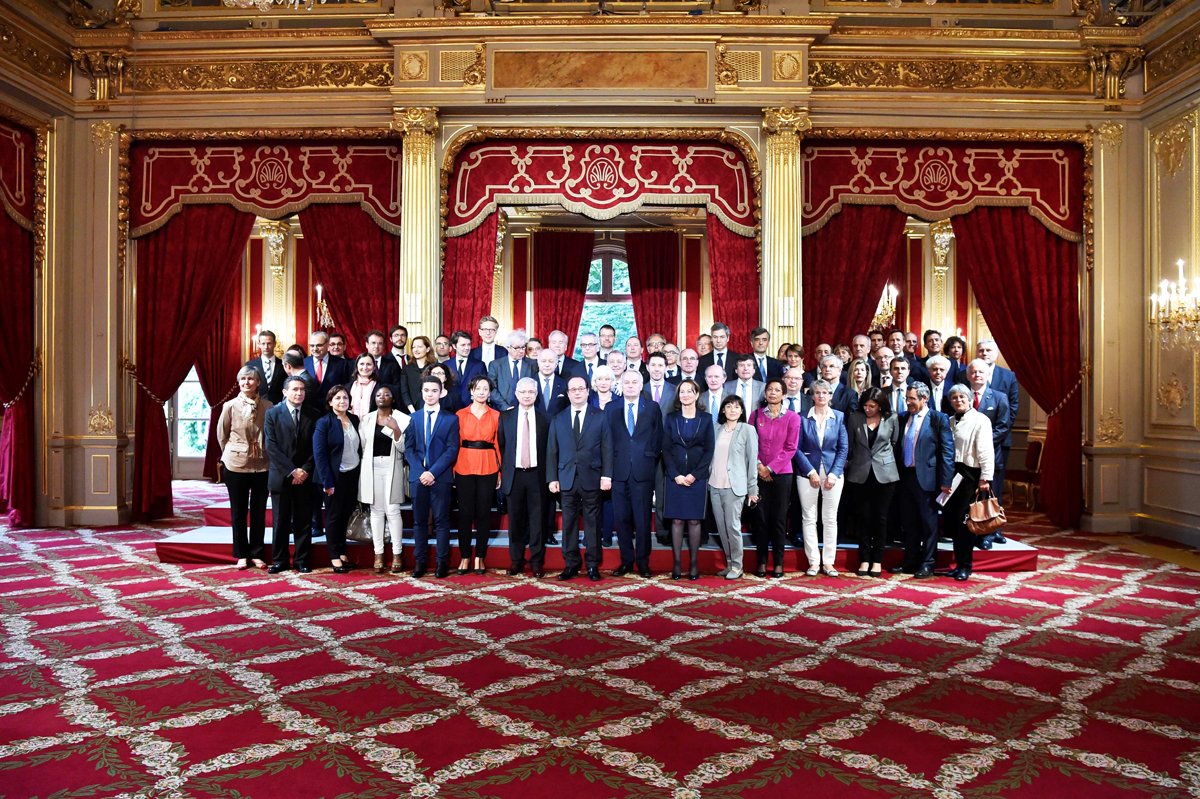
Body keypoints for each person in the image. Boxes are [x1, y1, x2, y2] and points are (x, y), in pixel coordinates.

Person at [547, 375, 612, 581]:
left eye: (580, 389)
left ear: (587, 391)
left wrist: (606, 475)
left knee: (593, 523)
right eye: (572, 389)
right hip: (566, 478)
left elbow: (607, 448)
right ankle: (571, 564)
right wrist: (552, 478)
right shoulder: (558, 418)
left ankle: (593, 565)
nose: (577, 392)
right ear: (568, 393)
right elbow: (552, 451)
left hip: (592, 477)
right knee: (569, 524)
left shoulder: (600, 416)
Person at [892, 382, 955, 578]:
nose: (908, 402)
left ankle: (928, 563)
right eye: (907, 398)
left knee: (929, 524)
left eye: (912, 399)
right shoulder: (903, 418)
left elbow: (947, 452)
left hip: (928, 480)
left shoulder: (938, 419)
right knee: (908, 522)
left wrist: (946, 482)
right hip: (905, 478)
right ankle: (910, 561)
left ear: (924, 398)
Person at [960, 340, 1018, 548]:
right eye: (973, 373)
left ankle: (989, 533)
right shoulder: (961, 396)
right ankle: (970, 531)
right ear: (968, 375)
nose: (977, 375)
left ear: (987, 376)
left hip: (993, 452)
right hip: (965, 457)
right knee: (968, 495)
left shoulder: (1000, 397)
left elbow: (1004, 425)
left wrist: (980, 442)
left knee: (991, 493)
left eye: (981, 373)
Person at [605, 369, 663, 577]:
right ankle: (626, 561)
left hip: (643, 472)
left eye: (634, 382)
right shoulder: (611, 408)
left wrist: (647, 457)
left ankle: (643, 562)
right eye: (626, 382)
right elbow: (607, 440)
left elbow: (658, 439)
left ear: (641, 386)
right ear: (621, 385)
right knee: (621, 520)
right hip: (619, 473)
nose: (630, 385)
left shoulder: (652, 408)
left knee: (643, 519)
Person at [404, 376, 461, 578]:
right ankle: (420, 563)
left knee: (441, 521)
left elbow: (451, 449)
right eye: (426, 390)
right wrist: (421, 472)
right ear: (422, 392)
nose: (430, 394)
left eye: (434, 391)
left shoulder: (451, 418)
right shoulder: (414, 418)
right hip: (418, 478)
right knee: (419, 522)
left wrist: (432, 472)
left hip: (440, 477)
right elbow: (409, 448)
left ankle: (441, 564)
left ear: (442, 393)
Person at [217, 366, 272, 570]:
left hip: (262, 464)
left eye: (251, 379)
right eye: (243, 379)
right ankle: (241, 553)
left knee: (259, 511)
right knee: (238, 511)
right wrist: (233, 452)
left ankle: (257, 552)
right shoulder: (229, 406)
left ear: (258, 382)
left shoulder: (268, 405)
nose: (247, 382)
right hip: (236, 464)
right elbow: (222, 436)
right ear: (238, 382)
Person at [793, 380, 849, 577]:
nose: (821, 396)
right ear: (812, 396)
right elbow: (796, 448)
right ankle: (814, 562)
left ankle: (829, 563)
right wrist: (810, 471)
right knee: (808, 517)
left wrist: (833, 474)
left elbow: (843, 448)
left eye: (825, 392)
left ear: (830, 395)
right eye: (817, 393)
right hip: (807, 473)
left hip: (833, 473)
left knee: (830, 518)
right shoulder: (802, 418)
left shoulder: (839, 417)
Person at [264, 376, 318, 574]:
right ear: (285, 392)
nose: (299, 393)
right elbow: (271, 446)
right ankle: (280, 560)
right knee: (281, 520)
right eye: (295, 389)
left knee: (303, 520)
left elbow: (316, 447)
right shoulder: (273, 414)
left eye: (302, 389)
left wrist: (304, 469)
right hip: (281, 475)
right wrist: (292, 470)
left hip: (305, 475)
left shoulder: (313, 414)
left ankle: (302, 560)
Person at [844, 387, 900, 578]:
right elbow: (850, 445)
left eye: (872, 406)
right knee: (864, 518)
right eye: (866, 405)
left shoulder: (892, 417)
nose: (868, 409)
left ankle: (877, 560)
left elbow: (894, 443)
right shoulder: (855, 417)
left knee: (881, 518)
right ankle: (865, 558)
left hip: (885, 474)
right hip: (860, 473)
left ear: (881, 406)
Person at [942, 384, 995, 581]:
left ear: (970, 398)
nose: (958, 400)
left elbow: (986, 451)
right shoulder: (950, 421)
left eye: (962, 397)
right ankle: (957, 564)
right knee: (954, 522)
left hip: (971, 475)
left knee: (966, 523)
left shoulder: (981, 420)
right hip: (952, 475)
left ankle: (965, 566)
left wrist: (985, 478)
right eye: (954, 398)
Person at [498, 377, 550, 577]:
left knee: (537, 521)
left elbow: (549, 450)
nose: (527, 395)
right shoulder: (505, 417)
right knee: (516, 521)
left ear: (536, 395)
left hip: (537, 475)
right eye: (523, 392)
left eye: (531, 392)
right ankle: (516, 561)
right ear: (517, 394)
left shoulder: (546, 419)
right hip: (515, 475)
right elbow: (502, 446)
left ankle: (537, 562)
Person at [662, 379, 714, 580]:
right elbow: (665, 449)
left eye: (689, 391)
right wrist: (676, 475)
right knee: (676, 520)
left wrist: (694, 475)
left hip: (697, 477)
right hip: (675, 476)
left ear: (696, 394)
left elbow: (709, 449)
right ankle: (676, 565)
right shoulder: (671, 418)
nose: (685, 395)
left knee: (693, 520)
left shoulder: (706, 419)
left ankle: (693, 565)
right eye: (682, 392)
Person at [750, 379, 800, 577]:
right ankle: (761, 561)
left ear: (784, 394)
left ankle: (778, 562)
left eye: (777, 390)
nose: (772, 393)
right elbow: (750, 444)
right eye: (769, 389)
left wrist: (770, 468)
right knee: (760, 519)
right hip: (758, 472)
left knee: (779, 519)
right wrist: (760, 466)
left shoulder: (793, 418)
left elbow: (791, 448)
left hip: (782, 474)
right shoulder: (755, 416)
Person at [358, 384, 408, 573]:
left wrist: (395, 429)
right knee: (376, 511)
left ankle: (397, 553)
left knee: (393, 510)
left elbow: (403, 448)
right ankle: (378, 554)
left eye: (387, 394)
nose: (382, 397)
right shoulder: (367, 419)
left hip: (392, 466)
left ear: (393, 398)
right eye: (379, 394)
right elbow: (362, 446)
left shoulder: (402, 419)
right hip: (371, 467)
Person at [454, 375, 501, 575]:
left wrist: (500, 471)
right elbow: (454, 443)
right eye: (478, 388)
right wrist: (452, 469)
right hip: (464, 464)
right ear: (471, 391)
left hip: (489, 465)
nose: (481, 392)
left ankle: (480, 557)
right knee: (465, 514)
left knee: (483, 513)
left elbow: (499, 444)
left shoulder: (497, 415)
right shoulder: (459, 415)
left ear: (489, 393)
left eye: (485, 389)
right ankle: (465, 556)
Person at [708, 395, 758, 579]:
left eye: (737, 407)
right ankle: (729, 564)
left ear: (742, 411)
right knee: (721, 527)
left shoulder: (747, 430)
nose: (732, 410)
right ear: (723, 410)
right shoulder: (716, 429)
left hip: (734, 487)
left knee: (733, 527)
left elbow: (752, 461)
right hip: (714, 484)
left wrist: (753, 490)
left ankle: (738, 565)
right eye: (728, 406)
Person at [312, 386, 361, 574]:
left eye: (345, 398)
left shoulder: (354, 419)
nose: (342, 401)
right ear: (330, 401)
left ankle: (342, 552)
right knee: (333, 517)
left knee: (344, 516)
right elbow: (320, 454)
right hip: (334, 477)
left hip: (352, 475)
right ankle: (334, 556)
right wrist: (327, 482)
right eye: (338, 398)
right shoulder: (324, 423)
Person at [487, 329, 535, 411]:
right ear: (508, 348)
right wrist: (504, 406)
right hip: (501, 410)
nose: (521, 351)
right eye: (516, 348)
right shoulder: (496, 365)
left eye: (523, 347)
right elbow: (491, 388)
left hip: (526, 410)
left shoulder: (532, 364)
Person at [446, 330, 486, 408]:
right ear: (454, 346)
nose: (467, 348)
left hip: (472, 409)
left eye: (469, 344)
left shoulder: (479, 365)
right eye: (463, 345)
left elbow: (484, 387)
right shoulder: (446, 365)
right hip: (450, 409)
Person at [399, 335, 437, 412]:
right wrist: (411, 409)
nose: (416, 350)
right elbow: (404, 391)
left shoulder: (434, 367)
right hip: (411, 409)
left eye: (419, 347)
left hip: (431, 408)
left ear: (427, 349)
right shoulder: (407, 368)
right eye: (413, 347)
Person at [246, 329, 285, 404]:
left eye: (269, 343)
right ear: (259, 344)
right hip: (256, 406)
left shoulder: (283, 364)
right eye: (263, 344)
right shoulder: (250, 365)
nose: (266, 347)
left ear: (274, 344)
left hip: (278, 407)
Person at [365, 329, 402, 394]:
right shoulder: (358, 364)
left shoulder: (393, 365)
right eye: (373, 343)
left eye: (380, 343)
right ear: (367, 345)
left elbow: (397, 387)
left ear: (383, 346)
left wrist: (379, 387)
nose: (376, 346)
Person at [643, 352, 677, 416]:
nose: (657, 369)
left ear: (666, 368)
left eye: (660, 365)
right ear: (647, 367)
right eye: (653, 365)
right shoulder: (640, 390)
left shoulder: (675, 390)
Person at [346, 353, 379, 419]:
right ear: (357, 366)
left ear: (374, 367)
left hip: (372, 425)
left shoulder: (380, 387)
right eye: (362, 364)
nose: (365, 367)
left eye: (369, 364)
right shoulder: (348, 387)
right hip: (351, 424)